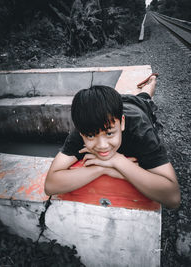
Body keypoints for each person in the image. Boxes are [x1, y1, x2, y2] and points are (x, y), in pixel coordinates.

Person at [44, 75, 180, 209]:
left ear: (122, 123)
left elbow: (173, 198)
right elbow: (50, 186)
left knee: (145, 95)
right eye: (91, 137)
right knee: (140, 95)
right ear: (81, 133)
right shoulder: (85, 127)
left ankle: (152, 81)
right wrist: (103, 168)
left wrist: (118, 161)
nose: (103, 146)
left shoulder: (140, 130)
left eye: (109, 133)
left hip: (139, 106)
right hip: (115, 106)